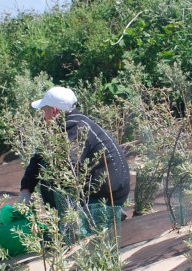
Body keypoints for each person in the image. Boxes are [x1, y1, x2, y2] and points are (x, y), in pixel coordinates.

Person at [18, 86, 129, 227]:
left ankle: (94, 216)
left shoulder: (75, 128)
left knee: (50, 178)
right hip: (110, 190)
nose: (43, 116)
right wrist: (26, 190)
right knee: (47, 163)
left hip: (109, 195)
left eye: (44, 111)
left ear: (54, 111)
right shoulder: (70, 122)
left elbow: (69, 166)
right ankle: (99, 213)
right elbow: (38, 157)